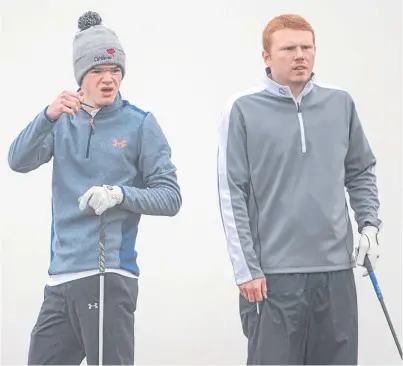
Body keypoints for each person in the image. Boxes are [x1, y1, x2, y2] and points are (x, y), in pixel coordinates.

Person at [8, 10, 181, 365]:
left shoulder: (139, 124)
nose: (108, 79)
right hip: (60, 278)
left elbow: (170, 196)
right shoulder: (60, 122)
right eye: (97, 71)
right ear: (80, 76)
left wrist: (119, 194)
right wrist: (48, 115)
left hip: (107, 275)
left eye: (115, 70)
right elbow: (17, 160)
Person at [217, 14, 381, 365]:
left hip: (335, 273)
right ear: (266, 56)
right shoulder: (242, 109)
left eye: (307, 47)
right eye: (289, 48)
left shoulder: (340, 103)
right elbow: (231, 192)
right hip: (273, 277)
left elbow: (361, 170)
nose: (300, 55)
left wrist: (370, 225)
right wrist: (246, 269)